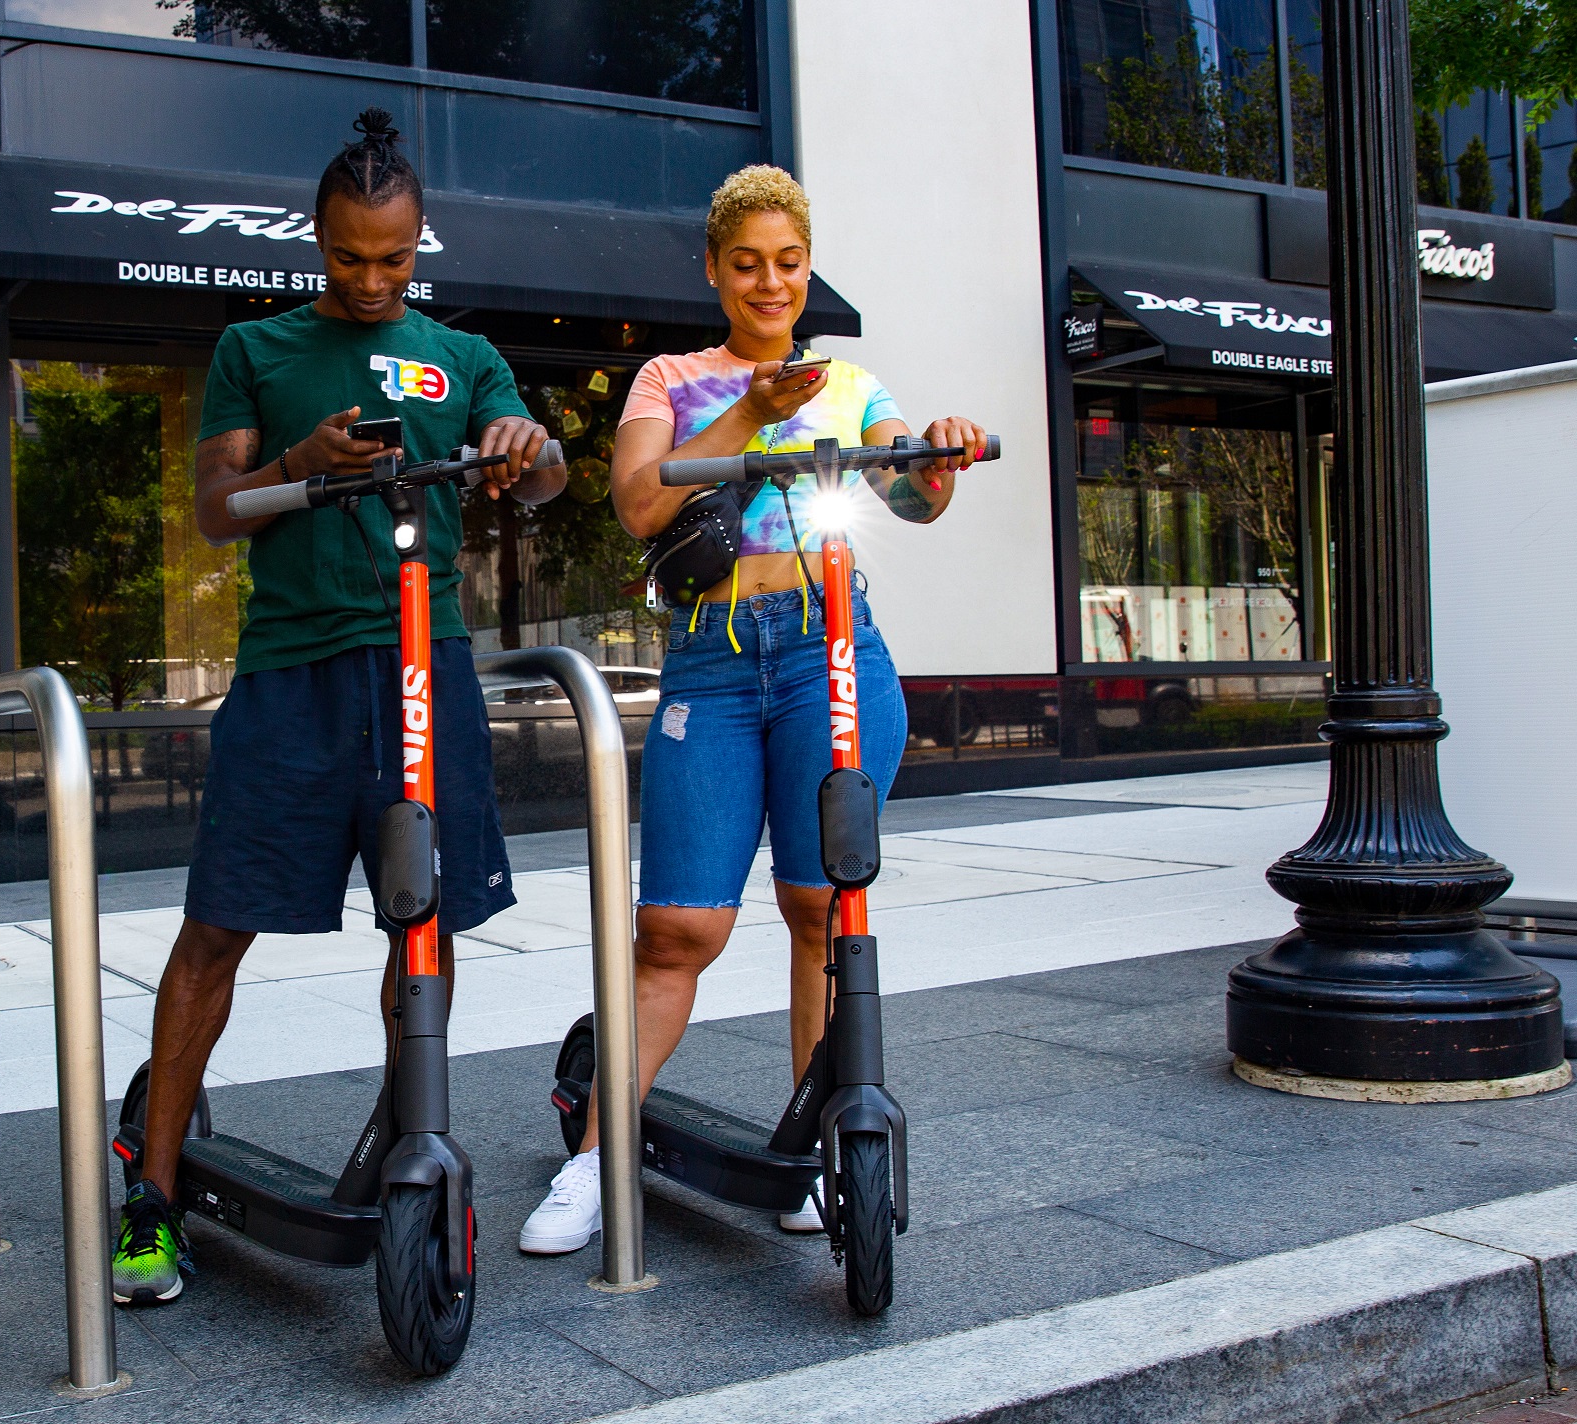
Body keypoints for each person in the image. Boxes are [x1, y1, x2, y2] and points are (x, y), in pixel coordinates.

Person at [109, 107, 552, 1306]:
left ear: (421, 244)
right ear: (317, 239)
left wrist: (523, 436)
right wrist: (297, 465)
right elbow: (214, 508)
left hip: (426, 664)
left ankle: (406, 1149)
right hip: (291, 675)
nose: (371, 278)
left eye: (394, 258)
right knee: (218, 927)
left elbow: (549, 469)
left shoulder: (461, 359)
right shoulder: (256, 347)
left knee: (428, 921)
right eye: (349, 256)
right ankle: (147, 1199)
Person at [518, 165, 988, 1254]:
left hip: (831, 652)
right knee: (680, 926)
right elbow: (641, 500)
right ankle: (594, 1159)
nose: (770, 282)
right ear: (716, 271)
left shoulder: (849, 384)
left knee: (826, 912)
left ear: (806, 265)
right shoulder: (671, 378)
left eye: (788, 262)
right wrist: (751, 410)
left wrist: (944, 451)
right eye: (747, 264)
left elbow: (913, 494)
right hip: (715, 666)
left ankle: (818, 1149)